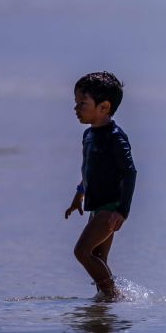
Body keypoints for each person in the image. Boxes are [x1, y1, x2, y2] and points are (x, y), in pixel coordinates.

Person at [64, 72, 137, 300]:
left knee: (82, 251)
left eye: (82, 104)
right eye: (76, 103)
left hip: (110, 208)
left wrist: (122, 211)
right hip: (96, 207)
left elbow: (130, 172)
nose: (76, 108)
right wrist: (79, 194)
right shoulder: (88, 134)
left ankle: (113, 296)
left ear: (104, 107)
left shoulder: (115, 137)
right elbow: (89, 171)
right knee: (97, 256)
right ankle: (106, 305)